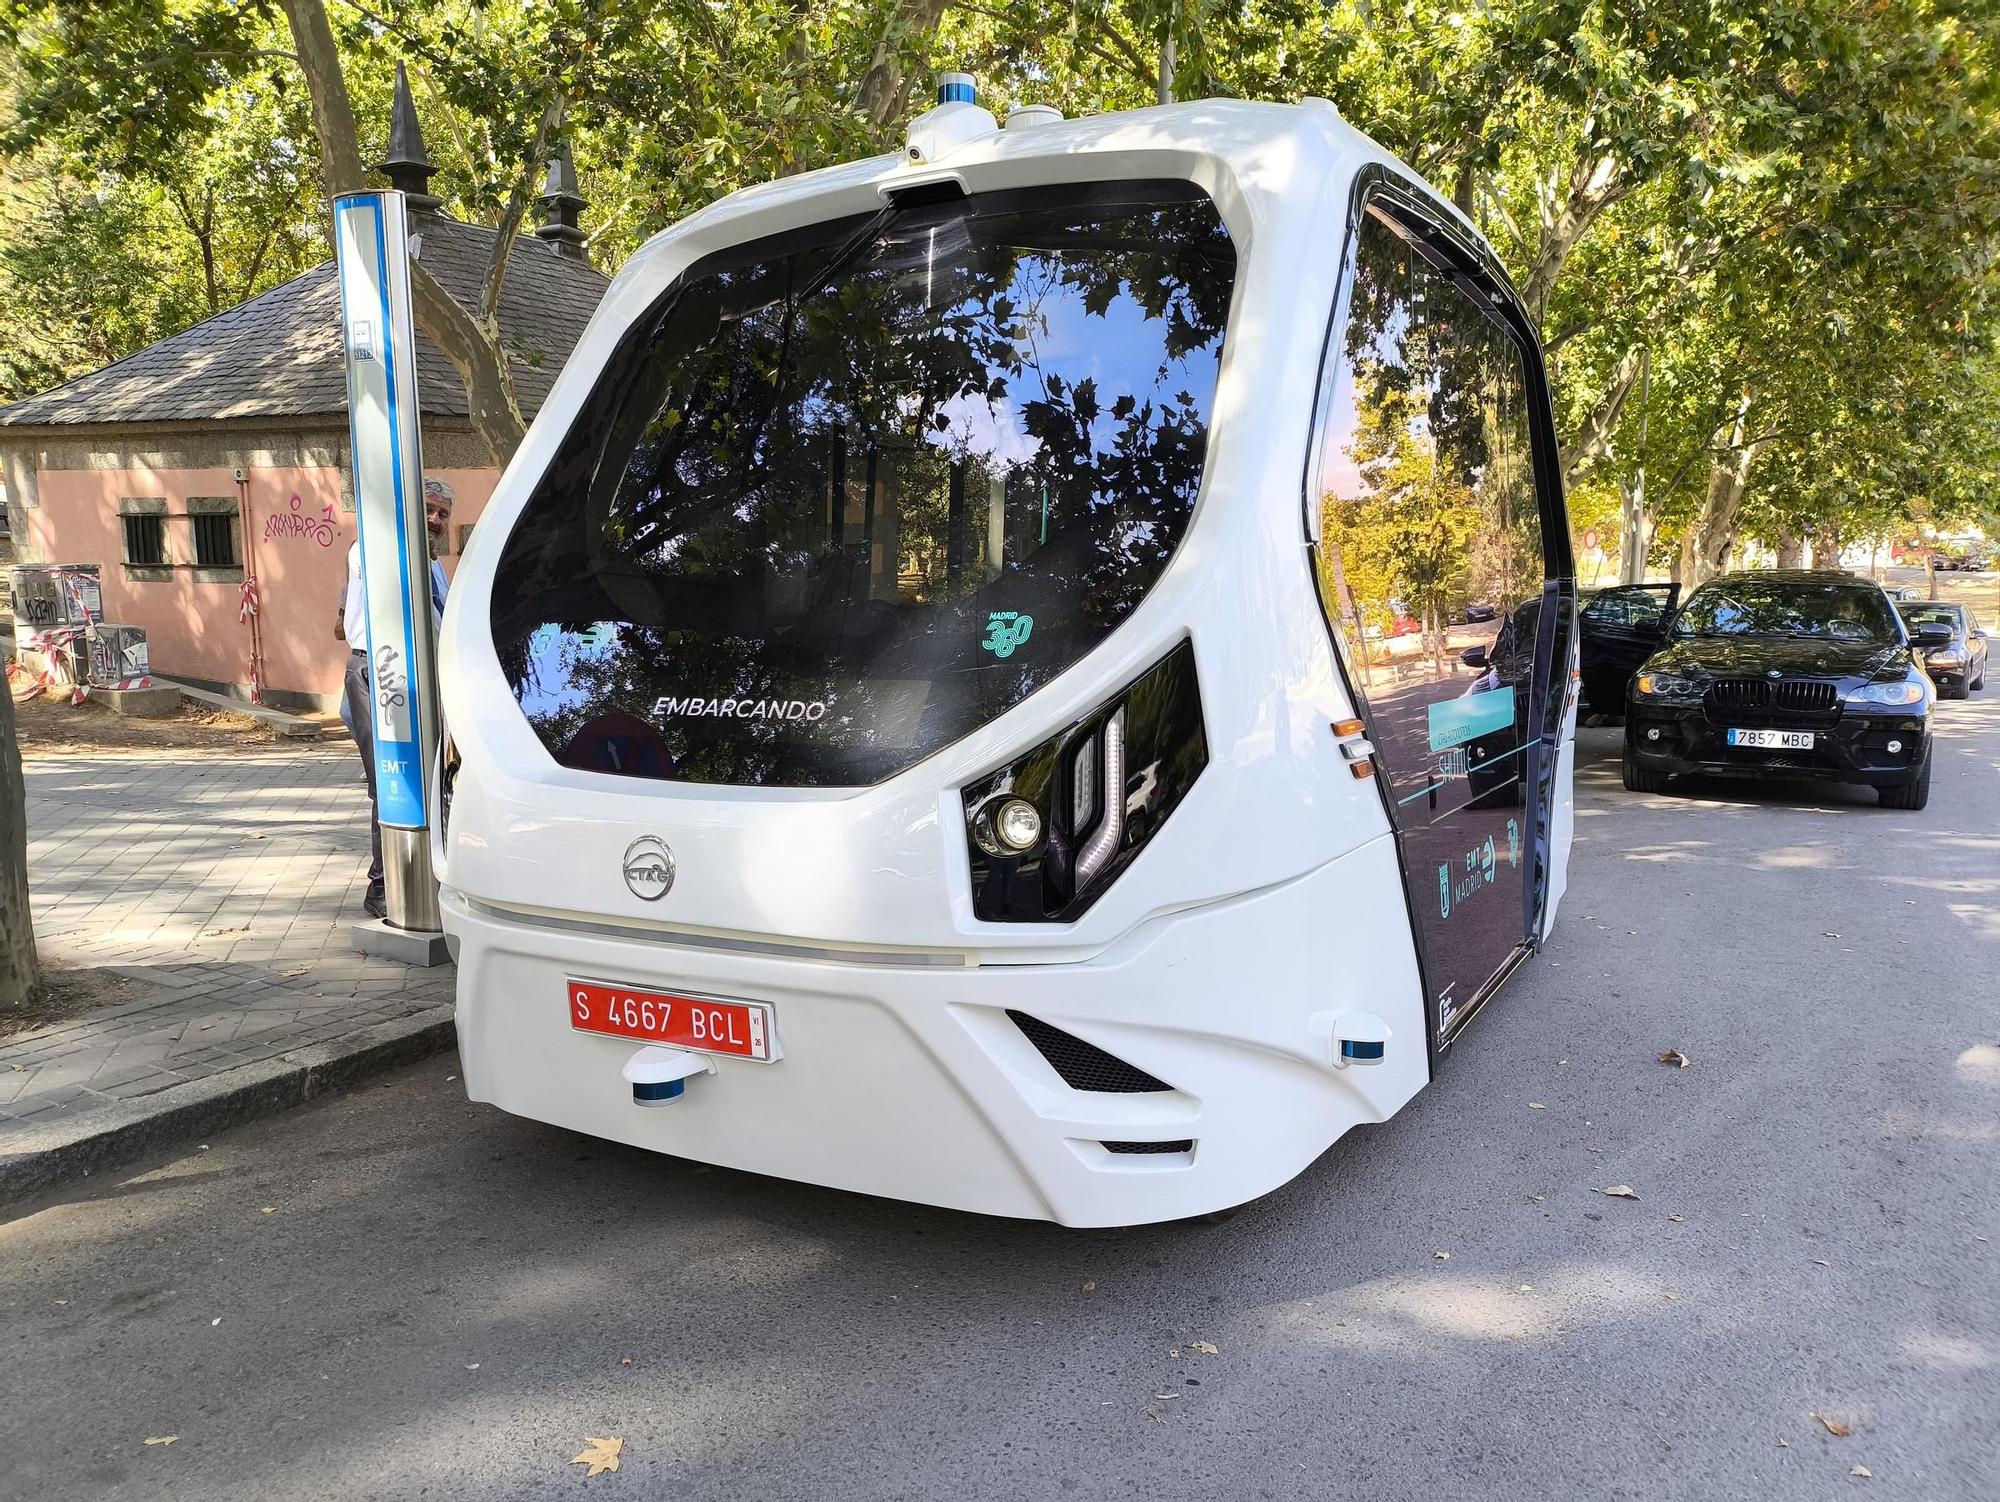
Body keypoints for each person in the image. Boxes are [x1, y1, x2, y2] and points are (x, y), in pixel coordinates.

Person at [338, 476, 454, 919]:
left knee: (428, 782)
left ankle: (423, 876)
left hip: (422, 679)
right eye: (427, 509)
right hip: (380, 672)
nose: (434, 520)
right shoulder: (375, 548)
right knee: (392, 782)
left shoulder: (434, 565)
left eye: (442, 514)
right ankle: (383, 886)